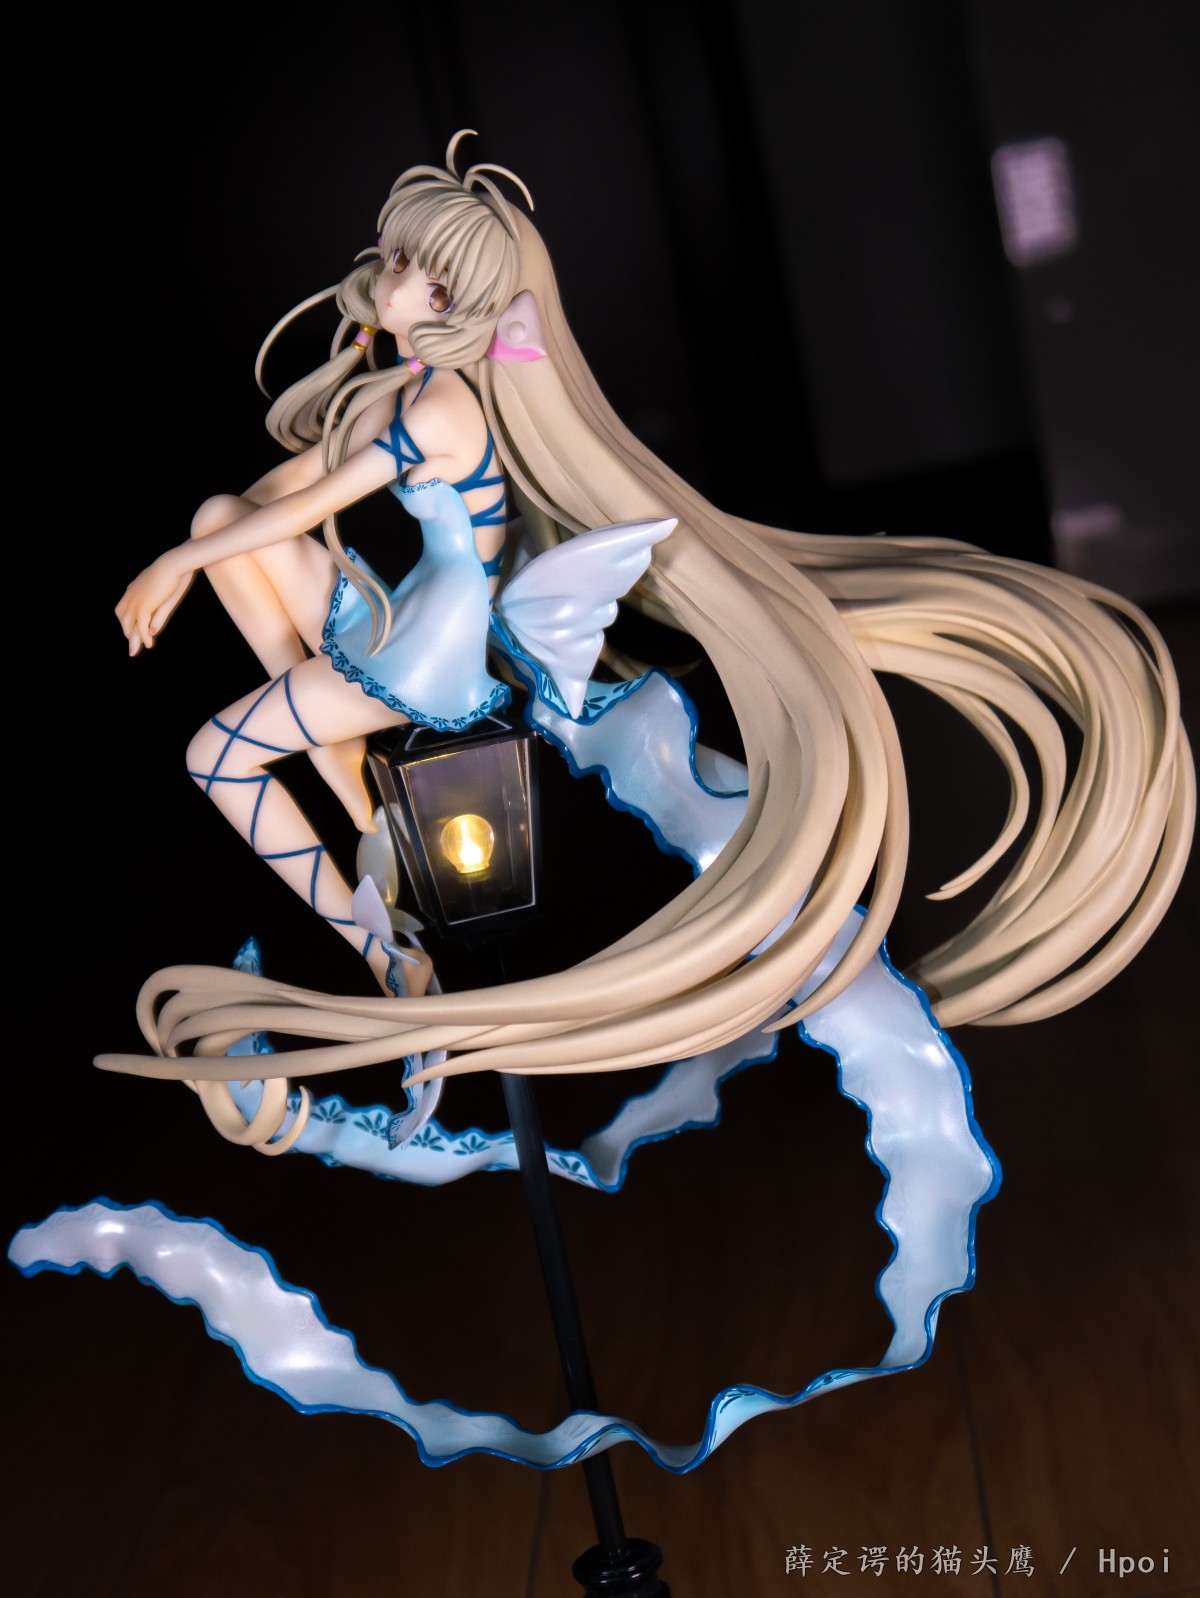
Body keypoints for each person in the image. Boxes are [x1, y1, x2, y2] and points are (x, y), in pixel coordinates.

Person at [109, 130, 1194, 1144]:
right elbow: (272, 499)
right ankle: (353, 797)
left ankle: (381, 948)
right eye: (396, 262)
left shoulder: (442, 412)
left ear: (457, 308)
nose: (389, 284)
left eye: (421, 279)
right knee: (216, 515)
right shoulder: (413, 387)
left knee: (214, 754)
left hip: (424, 660)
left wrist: (174, 567)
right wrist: (206, 543)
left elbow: (310, 504)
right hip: (399, 619)